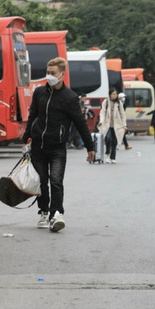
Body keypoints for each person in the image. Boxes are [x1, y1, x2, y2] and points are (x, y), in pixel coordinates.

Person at [23, 57, 96, 232]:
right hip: (38, 145)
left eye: (53, 73)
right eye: (47, 72)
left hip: (57, 147)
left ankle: (56, 214)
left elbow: (80, 123)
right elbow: (33, 116)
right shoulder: (40, 92)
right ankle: (43, 211)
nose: (49, 76)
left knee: (56, 181)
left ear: (62, 74)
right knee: (41, 181)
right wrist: (26, 138)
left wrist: (90, 146)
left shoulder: (70, 97)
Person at [98, 87, 126, 164]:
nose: (115, 95)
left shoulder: (119, 103)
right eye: (113, 94)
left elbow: (122, 114)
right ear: (110, 94)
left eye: (116, 94)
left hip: (117, 125)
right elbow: (102, 112)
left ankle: (113, 157)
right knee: (108, 138)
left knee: (114, 141)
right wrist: (101, 121)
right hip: (107, 124)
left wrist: (124, 125)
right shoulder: (106, 102)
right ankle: (107, 154)